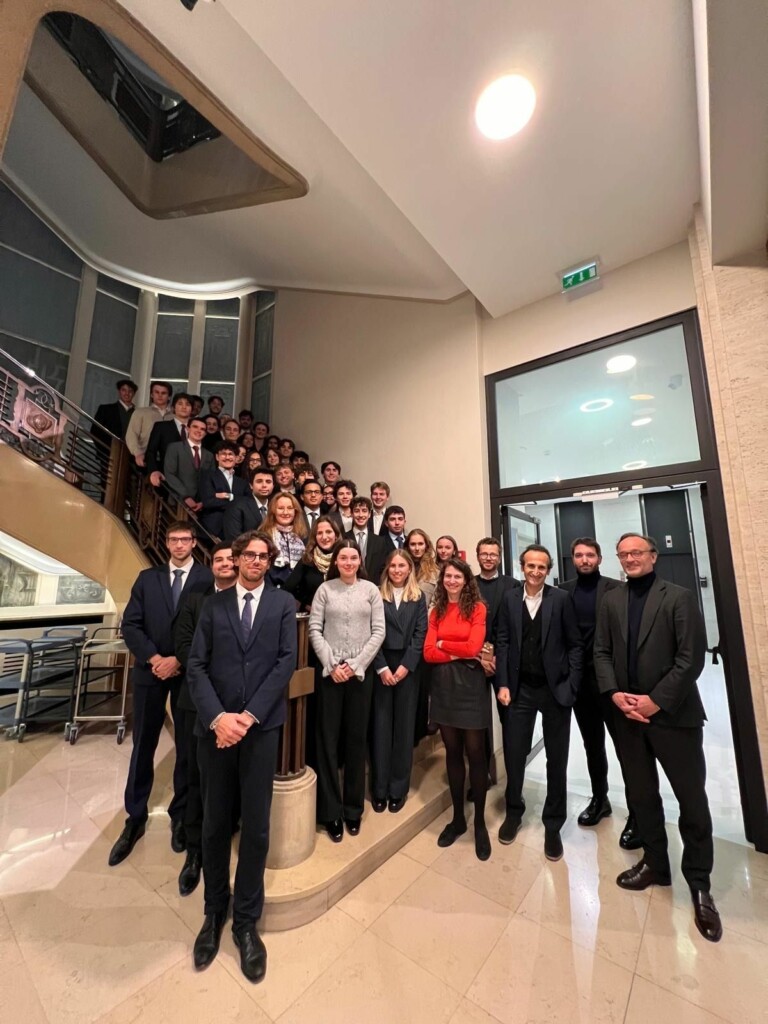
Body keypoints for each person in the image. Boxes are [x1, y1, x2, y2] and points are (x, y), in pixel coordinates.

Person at [594, 533, 721, 942]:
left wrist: (655, 701)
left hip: (673, 717)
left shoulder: (678, 598)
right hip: (627, 716)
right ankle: (655, 863)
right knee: (642, 795)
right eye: (623, 554)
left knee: (691, 799)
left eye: (636, 552)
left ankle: (699, 884)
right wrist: (615, 694)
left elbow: (691, 659)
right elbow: (601, 652)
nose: (630, 559)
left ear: (653, 556)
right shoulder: (611, 600)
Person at [187, 530, 298, 981]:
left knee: (255, 827)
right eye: (248, 555)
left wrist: (248, 717)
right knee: (215, 824)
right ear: (235, 560)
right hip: (215, 731)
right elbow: (195, 666)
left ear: (270, 561)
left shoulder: (282, 604)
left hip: (259, 729)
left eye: (262, 556)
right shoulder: (212, 606)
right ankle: (214, 911)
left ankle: (246, 922)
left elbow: (285, 663)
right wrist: (219, 718)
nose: (255, 561)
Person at [109, 521, 212, 866]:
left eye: (185, 539)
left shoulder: (207, 579)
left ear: (194, 543)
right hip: (150, 671)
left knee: (187, 746)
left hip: (187, 673)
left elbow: (206, 629)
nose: (179, 544)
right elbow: (131, 625)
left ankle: (180, 815)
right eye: (173, 539)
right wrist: (155, 659)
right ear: (167, 543)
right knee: (144, 744)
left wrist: (178, 660)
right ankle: (135, 816)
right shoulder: (147, 578)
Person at [494, 545, 583, 861]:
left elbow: (575, 645)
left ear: (548, 570)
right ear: (522, 567)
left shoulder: (561, 599)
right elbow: (502, 641)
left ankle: (553, 824)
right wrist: (503, 683)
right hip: (519, 691)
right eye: (530, 566)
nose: (535, 571)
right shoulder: (509, 599)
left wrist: (571, 685)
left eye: (541, 567)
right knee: (514, 754)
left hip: (554, 690)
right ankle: (514, 812)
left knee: (556, 759)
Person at [309, 539, 385, 841]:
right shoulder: (324, 590)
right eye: (343, 557)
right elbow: (314, 629)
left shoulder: (371, 590)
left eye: (353, 557)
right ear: (336, 561)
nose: (349, 562)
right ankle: (330, 812)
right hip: (330, 675)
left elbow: (378, 631)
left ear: (360, 560)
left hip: (359, 675)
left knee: (356, 741)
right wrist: (331, 664)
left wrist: (356, 665)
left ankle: (353, 809)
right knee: (327, 742)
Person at [172, 542, 238, 896]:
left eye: (231, 559)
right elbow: (184, 645)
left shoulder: (250, 599)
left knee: (231, 776)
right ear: (211, 565)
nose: (225, 564)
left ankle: (228, 831)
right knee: (196, 775)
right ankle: (195, 850)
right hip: (198, 700)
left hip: (237, 705)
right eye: (219, 560)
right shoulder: (196, 599)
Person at [559, 538, 630, 836]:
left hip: (612, 682)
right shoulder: (563, 591)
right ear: (572, 559)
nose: (584, 560)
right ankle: (600, 799)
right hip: (581, 683)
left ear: (600, 558)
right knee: (593, 745)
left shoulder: (618, 589)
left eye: (590, 555)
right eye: (579, 555)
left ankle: (638, 809)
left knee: (626, 747)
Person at [424, 558, 488, 858]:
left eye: (457, 577)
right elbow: (427, 652)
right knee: (452, 752)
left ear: (466, 581)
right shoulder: (436, 610)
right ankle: (459, 818)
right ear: (442, 580)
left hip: (471, 687)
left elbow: (475, 648)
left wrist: (443, 644)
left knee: (475, 753)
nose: (451, 581)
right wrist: (452, 652)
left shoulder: (477, 608)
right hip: (444, 686)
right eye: (447, 576)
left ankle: (480, 823)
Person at [371, 550, 428, 813]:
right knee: (381, 728)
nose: (397, 570)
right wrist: (382, 667)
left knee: (404, 730)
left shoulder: (418, 597)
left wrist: (406, 666)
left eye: (401, 565)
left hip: (408, 666)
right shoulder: (376, 594)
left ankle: (397, 789)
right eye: (392, 565)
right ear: (387, 568)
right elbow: (371, 632)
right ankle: (379, 789)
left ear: (409, 569)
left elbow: (420, 633)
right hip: (380, 663)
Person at [474, 537, 521, 802]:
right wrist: (480, 655)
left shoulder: (513, 585)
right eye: (484, 553)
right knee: (477, 725)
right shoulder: (469, 584)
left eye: (493, 554)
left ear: (500, 557)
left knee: (510, 722)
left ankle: (514, 786)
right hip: (474, 662)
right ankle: (480, 779)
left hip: (504, 664)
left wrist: (497, 657)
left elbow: (515, 627)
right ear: (478, 556)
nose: (489, 558)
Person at [284, 516, 341, 611]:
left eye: (328, 532)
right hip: (313, 615)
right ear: (315, 537)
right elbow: (287, 588)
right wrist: (305, 603)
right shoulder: (307, 559)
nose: (324, 537)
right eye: (319, 533)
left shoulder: (344, 558)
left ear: (336, 535)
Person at [198, 442, 250, 538]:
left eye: (230, 454)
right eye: (223, 454)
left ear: (236, 458)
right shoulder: (208, 476)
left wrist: (228, 496)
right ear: (217, 457)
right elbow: (208, 501)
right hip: (213, 529)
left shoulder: (242, 482)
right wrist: (236, 501)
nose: (227, 457)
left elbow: (247, 503)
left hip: (236, 529)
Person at [163, 417, 214, 513]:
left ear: (205, 433)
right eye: (195, 427)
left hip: (200, 506)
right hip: (177, 502)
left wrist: (203, 501)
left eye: (202, 429)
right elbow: (170, 474)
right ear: (188, 429)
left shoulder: (209, 455)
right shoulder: (174, 447)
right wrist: (185, 496)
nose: (199, 431)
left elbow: (211, 480)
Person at [145, 393, 193, 486]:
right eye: (180, 403)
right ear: (173, 408)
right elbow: (151, 452)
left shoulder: (197, 429)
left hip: (192, 479)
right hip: (166, 476)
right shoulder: (161, 427)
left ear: (191, 409)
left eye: (187, 404)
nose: (184, 407)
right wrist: (154, 471)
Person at [261, 492, 307, 586]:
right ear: (273, 511)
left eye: (290, 508)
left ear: (295, 511)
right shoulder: (263, 537)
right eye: (281, 508)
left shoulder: (303, 537)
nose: (285, 512)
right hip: (273, 588)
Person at [125, 380, 173, 468]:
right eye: (156, 392)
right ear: (151, 395)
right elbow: (131, 435)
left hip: (170, 459)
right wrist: (137, 453)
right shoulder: (140, 412)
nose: (160, 395)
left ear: (169, 396)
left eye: (163, 393)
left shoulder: (175, 415)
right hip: (144, 457)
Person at [223, 468, 275, 542]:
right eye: (259, 481)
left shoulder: (276, 505)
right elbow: (234, 537)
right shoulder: (237, 505)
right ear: (251, 485)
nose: (264, 485)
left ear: (273, 486)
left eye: (268, 482)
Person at [345, 496, 387, 583]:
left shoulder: (380, 541)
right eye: (357, 511)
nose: (360, 515)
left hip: (373, 586)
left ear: (369, 514)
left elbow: (383, 569)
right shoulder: (343, 538)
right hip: (348, 585)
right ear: (351, 514)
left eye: (364, 511)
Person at [406, 529, 439, 602]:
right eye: (413, 544)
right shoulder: (402, 569)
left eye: (420, 544)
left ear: (426, 545)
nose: (417, 548)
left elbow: (437, 599)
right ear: (407, 546)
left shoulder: (434, 571)